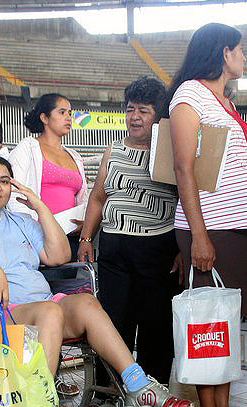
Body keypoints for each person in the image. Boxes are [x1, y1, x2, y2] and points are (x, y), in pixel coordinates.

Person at [0, 149, 193, 407]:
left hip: (42, 306)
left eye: (4, 181)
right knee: (50, 312)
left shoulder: (20, 221)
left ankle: (137, 385)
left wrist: (39, 207)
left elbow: (58, 256)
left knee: (86, 303)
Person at [163, 23, 247, 407]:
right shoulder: (189, 96)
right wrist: (199, 235)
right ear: (223, 52)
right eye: (240, 49)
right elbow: (183, 168)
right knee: (208, 323)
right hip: (211, 226)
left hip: (234, 229)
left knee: (225, 321)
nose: (244, 56)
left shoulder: (224, 101)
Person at [77, 76, 181, 385]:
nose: (134, 117)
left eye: (144, 111)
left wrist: (182, 249)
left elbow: (187, 202)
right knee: (113, 322)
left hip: (157, 249)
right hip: (113, 250)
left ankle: (154, 389)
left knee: (155, 324)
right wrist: (86, 237)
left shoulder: (172, 153)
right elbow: (98, 197)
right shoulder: (112, 151)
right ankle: (108, 390)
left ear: (158, 116)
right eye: (130, 109)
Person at [8, 93, 88, 260]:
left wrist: (84, 223)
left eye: (70, 113)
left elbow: (83, 198)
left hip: (71, 237)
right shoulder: (27, 147)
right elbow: (14, 192)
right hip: (38, 238)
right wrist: (33, 230)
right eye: (62, 112)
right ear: (44, 117)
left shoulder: (75, 156)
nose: (68, 118)